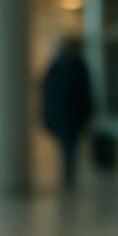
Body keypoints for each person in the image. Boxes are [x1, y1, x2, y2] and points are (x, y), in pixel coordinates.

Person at [41, 36, 93, 188]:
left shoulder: (78, 66)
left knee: (70, 145)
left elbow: (86, 92)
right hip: (61, 115)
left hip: (73, 115)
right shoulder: (58, 66)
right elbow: (47, 90)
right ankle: (68, 171)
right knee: (67, 145)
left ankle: (69, 172)